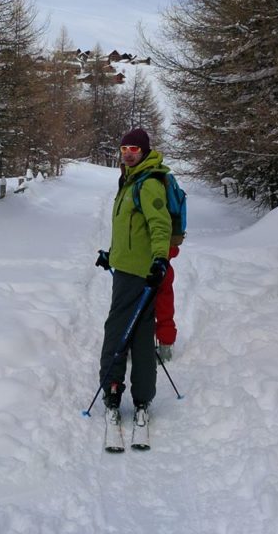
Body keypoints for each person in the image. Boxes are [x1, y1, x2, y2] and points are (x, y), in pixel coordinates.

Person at [95, 127, 172, 424]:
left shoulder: (148, 183)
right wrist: (111, 255)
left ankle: (112, 389)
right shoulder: (131, 180)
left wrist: (160, 260)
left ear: (144, 151)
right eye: (124, 149)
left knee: (117, 331)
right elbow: (131, 230)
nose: (128, 154)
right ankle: (143, 397)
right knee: (141, 334)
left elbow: (160, 225)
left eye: (134, 149)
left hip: (137, 274)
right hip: (132, 268)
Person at [154, 244, 180, 362]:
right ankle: (166, 348)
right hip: (164, 265)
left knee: (142, 310)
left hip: (151, 264)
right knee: (165, 310)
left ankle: (138, 345)